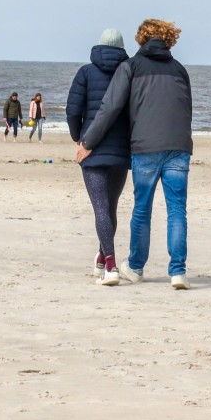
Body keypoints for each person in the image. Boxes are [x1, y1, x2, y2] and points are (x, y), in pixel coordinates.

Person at [75, 18, 193, 290]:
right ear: (168, 40)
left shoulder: (131, 66)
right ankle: (178, 272)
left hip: (145, 147)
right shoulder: (180, 70)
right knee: (177, 211)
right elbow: (186, 109)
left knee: (142, 209)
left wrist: (88, 142)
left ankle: (136, 267)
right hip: (179, 147)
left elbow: (110, 107)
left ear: (141, 38)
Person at [67, 28, 132, 286]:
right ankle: (101, 258)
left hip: (92, 151)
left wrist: (78, 137)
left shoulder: (85, 72)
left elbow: (73, 109)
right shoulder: (129, 72)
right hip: (120, 152)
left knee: (100, 207)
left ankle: (111, 265)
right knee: (109, 206)